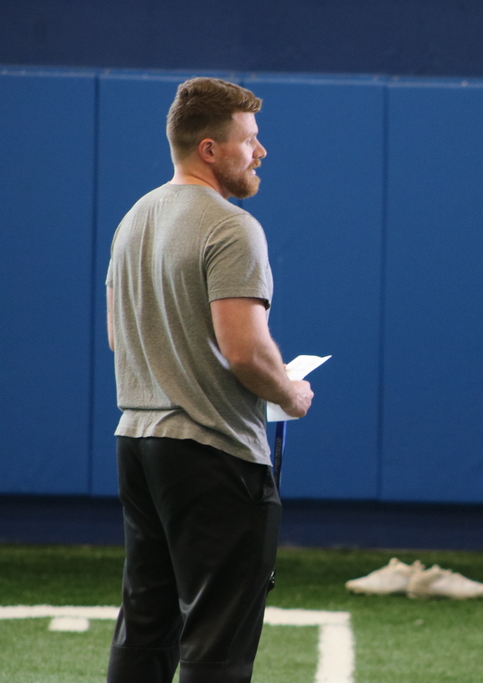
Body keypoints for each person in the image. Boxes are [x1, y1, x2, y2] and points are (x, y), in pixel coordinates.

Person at [104, 77, 314, 683]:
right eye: (250, 138)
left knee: (145, 626)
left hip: (138, 446)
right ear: (209, 149)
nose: (261, 150)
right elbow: (245, 352)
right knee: (217, 640)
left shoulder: (133, 219)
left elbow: (121, 338)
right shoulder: (232, 227)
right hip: (212, 452)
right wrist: (291, 392)